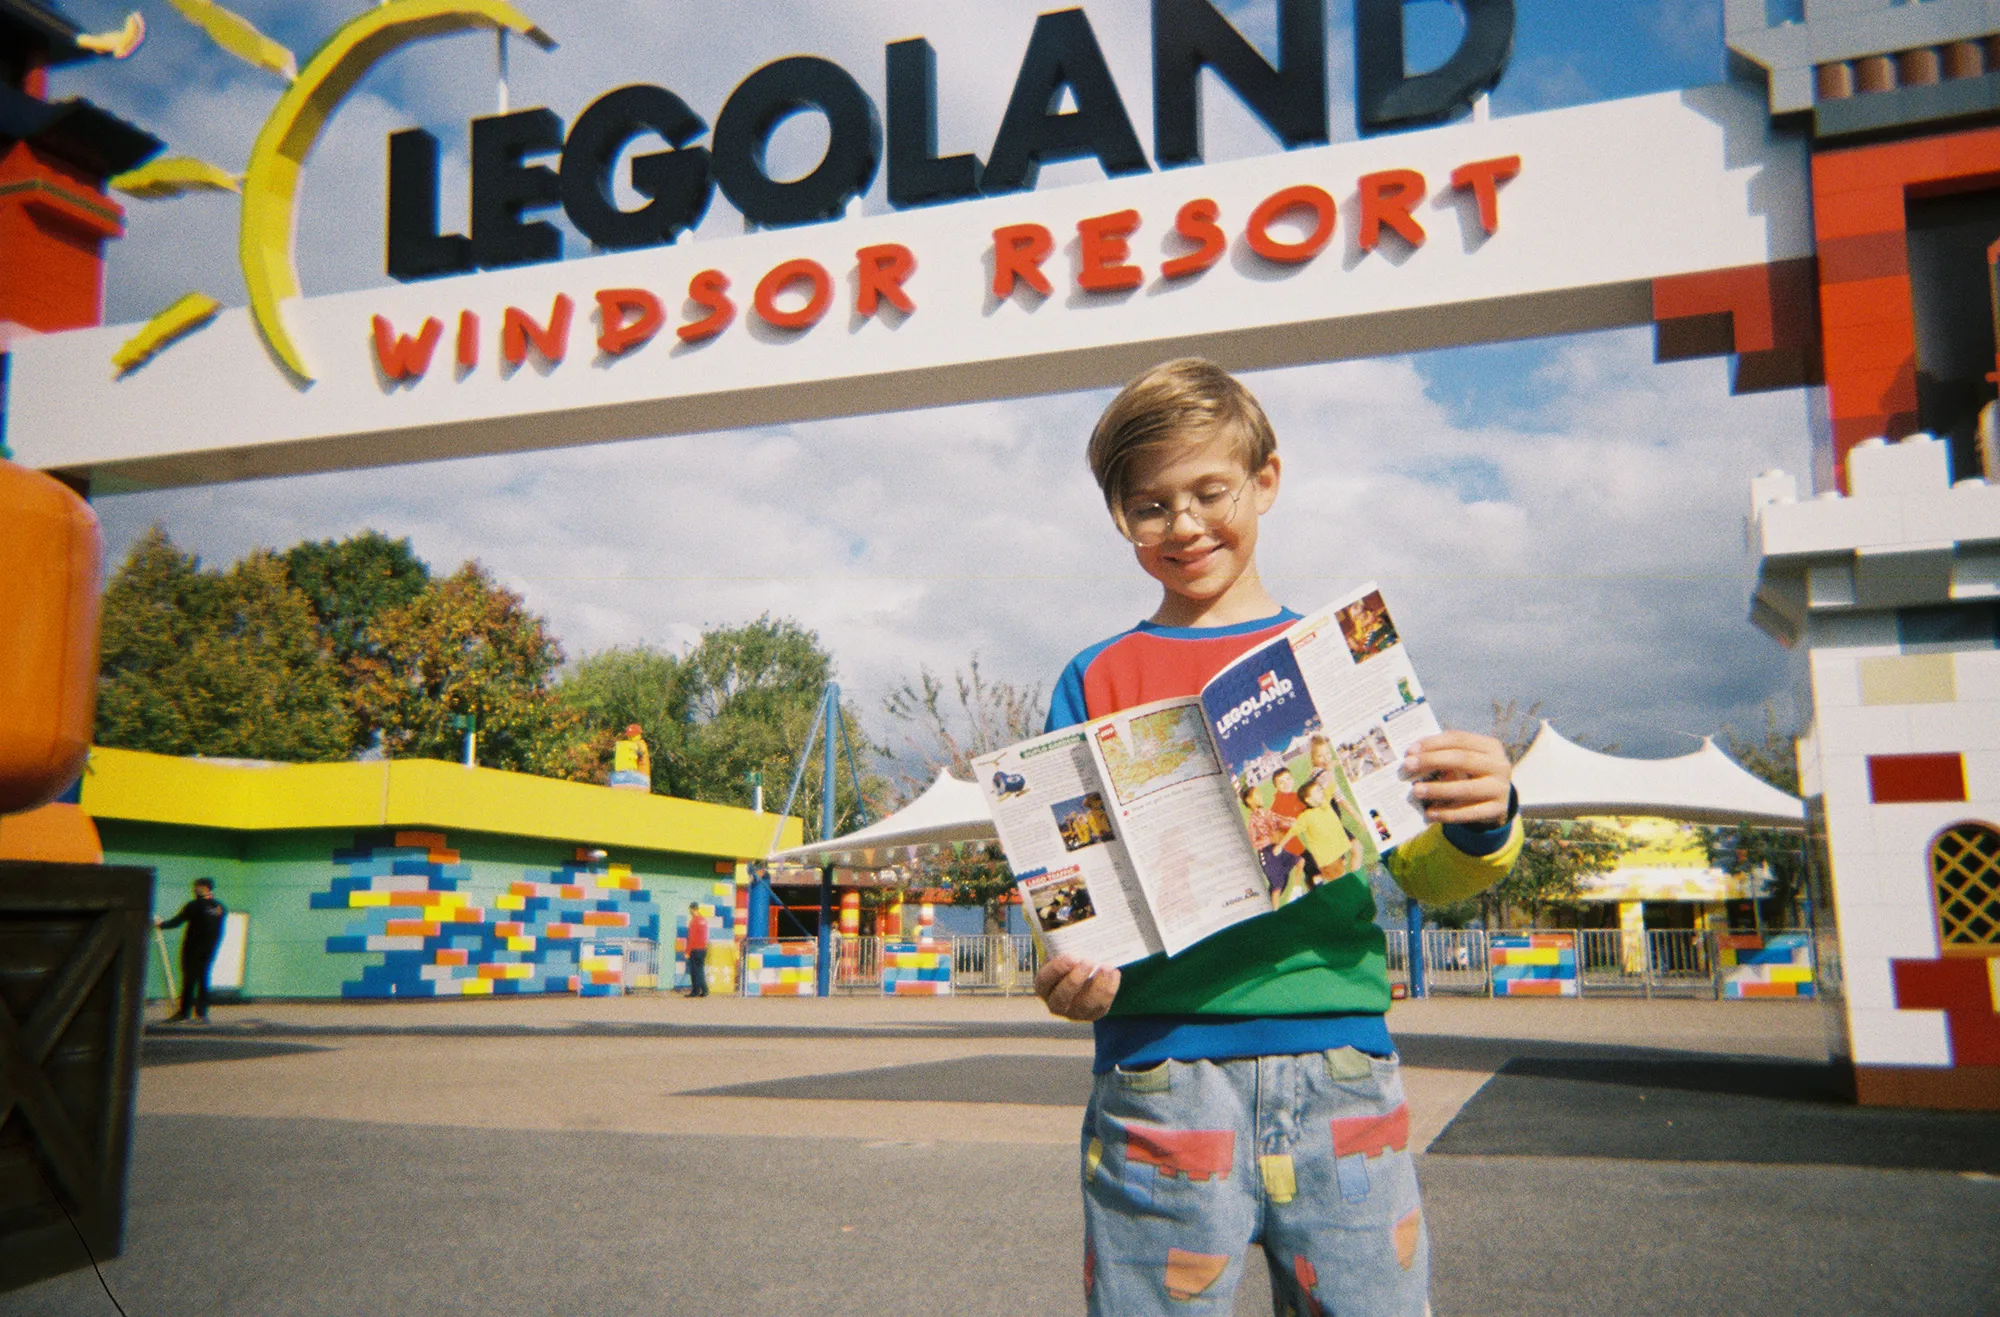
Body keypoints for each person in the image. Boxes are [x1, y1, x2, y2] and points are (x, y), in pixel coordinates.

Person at [1035, 358, 1521, 1315]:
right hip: (1158, 1070)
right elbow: (1066, 896)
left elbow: (1423, 869)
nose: (1184, 524)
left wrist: (1486, 820)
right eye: (1151, 506)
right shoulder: (1093, 676)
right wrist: (1065, 969)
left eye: (1209, 491)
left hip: (1341, 1067)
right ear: (1121, 519)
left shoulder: (1338, 660)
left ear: (1266, 480)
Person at [157, 878, 227, 1023]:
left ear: (204, 888)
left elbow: (178, 920)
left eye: (197, 887)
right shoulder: (219, 907)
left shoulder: (194, 906)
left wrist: (161, 925)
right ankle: (201, 1013)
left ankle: (184, 1012)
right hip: (210, 948)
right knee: (203, 978)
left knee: (189, 979)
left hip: (193, 947)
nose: (194, 889)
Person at [685, 902, 709, 997]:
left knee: (694, 971)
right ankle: (704, 990)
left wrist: (687, 951)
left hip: (695, 949)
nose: (690, 912)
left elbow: (691, 937)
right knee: (700, 970)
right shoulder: (704, 920)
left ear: (692, 909)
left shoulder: (694, 921)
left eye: (690, 910)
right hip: (703, 949)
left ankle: (695, 991)